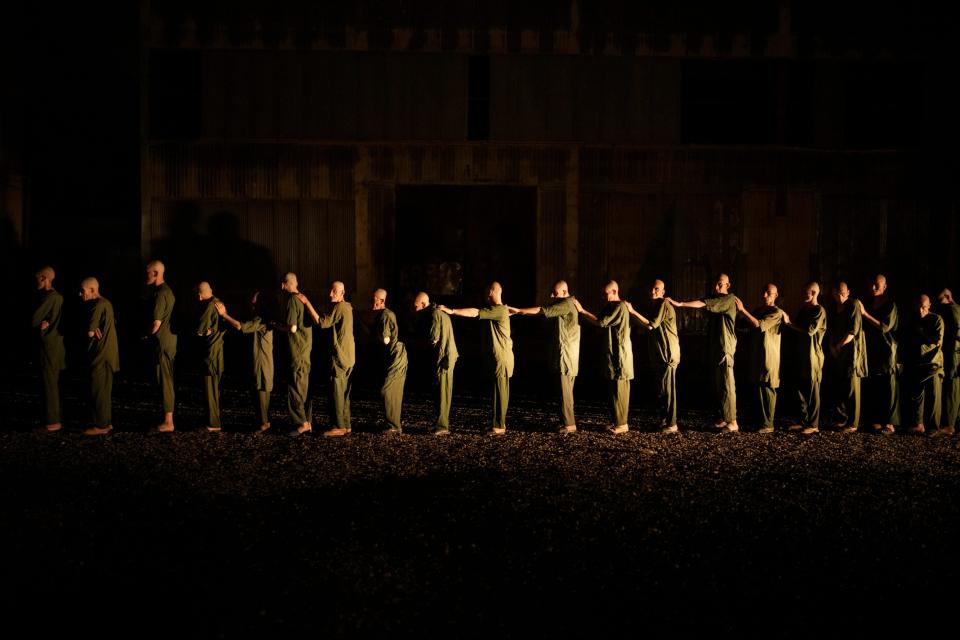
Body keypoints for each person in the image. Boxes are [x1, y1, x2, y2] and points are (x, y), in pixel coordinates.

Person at [513, 280, 593, 433]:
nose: (551, 295)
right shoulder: (569, 303)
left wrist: (519, 310)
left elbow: (543, 310)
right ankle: (567, 422)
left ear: (564, 292)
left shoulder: (566, 304)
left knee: (565, 392)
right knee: (566, 391)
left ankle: (569, 424)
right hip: (568, 355)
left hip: (566, 356)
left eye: (554, 293)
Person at [670, 273, 743, 432]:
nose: (717, 287)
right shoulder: (719, 299)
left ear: (728, 285)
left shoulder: (728, 299)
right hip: (718, 348)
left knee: (726, 384)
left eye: (720, 284)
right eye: (716, 284)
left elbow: (703, 303)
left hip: (725, 348)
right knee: (719, 384)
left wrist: (681, 304)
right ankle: (725, 417)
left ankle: (732, 421)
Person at [441, 282, 514, 435]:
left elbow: (475, 312)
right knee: (498, 391)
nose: (484, 295)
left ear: (492, 291)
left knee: (500, 392)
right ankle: (498, 424)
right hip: (501, 357)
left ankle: (499, 426)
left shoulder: (498, 310)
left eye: (486, 291)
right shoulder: (501, 310)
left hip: (501, 358)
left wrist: (452, 311)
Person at [299, 281, 356, 437]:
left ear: (342, 293)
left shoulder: (339, 307)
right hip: (349, 357)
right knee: (344, 392)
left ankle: (338, 426)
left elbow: (321, 323)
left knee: (337, 392)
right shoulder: (348, 307)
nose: (330, 294)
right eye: (331, 290)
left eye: (334, 291)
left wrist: (306, 302)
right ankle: (346, 425)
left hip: (340, 358)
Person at [626, 279, 680, 433]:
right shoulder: (655, 306)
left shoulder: (663, 304)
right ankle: (666, 421)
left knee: (668, 390)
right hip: (661, 353)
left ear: (663, 292)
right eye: (652, 288)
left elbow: (651, 325)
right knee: (663, 390)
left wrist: (632, 311)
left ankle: (671, 423)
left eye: (657, 289)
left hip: (667, 354)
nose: (653, 291)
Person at [216, 292, 274, 432]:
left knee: (262, 390)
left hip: (262, 361)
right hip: (260, 360)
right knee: (259, 389)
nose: (252, 306)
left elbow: (240, 327)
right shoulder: (260, 319)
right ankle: (263, 420)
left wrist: (224, 315)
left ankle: (264, 422)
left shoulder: (260, 320)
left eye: (254, 303)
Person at [583, 280, 633, 434]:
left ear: (614, 291)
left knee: (620, 391)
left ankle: (622, 424)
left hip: (620, 355)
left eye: (606, 294)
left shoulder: (619, 307)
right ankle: (616, 420)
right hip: (613, 354)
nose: (603, 297)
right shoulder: (610, 306)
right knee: (613, 391)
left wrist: (581, 311)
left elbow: (601, 322)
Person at [737, 284, 787, 434]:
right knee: (758, 388)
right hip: (756, 355)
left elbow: (759, 325)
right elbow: (744, 324)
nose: (765, 295)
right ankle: (761, 421)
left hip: (769, 357)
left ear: (776, 295)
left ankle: (768, 424)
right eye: (764, 292)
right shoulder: (759, 310)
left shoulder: (776, 312)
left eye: (769, 293)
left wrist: (742, 310)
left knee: (767, 388)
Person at [785, 282, 828, 435]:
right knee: (800, 389)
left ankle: (814, 424)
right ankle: (804, 421)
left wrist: (789, 323)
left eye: (806, 292)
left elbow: (809, 331)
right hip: (800, 355)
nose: (803, 294)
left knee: (812, 390)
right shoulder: (804, 309)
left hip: (812, 356)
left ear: (814, 292)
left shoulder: (819, 310)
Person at [859, 275, 900, 434]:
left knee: (888, 385)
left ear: (885, 286)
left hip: (887, 349)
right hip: (871, 349)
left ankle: (890, 423)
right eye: (872, 285)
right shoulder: (869, 303)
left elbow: (884, 327)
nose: (873, 288)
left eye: (877, 285)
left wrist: (865, 314)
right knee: (874, 384)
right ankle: (876, 419)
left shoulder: (890, 305)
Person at [80, 277, 119, 436]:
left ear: (92, 290)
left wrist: (89, 329)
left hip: (100, 354)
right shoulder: (107, 303)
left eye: (83, 291)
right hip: (109, 354)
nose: (81, 294)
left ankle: (100, 425)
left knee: (98, 390)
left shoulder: (96, 305)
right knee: (105, 389)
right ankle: (106, 422)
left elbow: (90, 331)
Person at [414, 292, 458, 435]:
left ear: (422, 304)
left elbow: (434, 339)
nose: (414, 309)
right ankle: (440, 424)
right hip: (447, 356)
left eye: (415, 306)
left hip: (444, 358)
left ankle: (442, 426)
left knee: (442, 392)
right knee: (443, 391)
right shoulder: (440, 313)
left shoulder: (434, 315)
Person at [828, 281, 868, 433]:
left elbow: (853, 330)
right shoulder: (832, 308)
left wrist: (838, 346)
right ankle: (841, 419)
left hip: (850, 350)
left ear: (848, 292)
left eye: (842, 291)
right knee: (839, 386)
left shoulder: (853, 305)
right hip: (837, 351)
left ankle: (853, 422)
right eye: (836, 292)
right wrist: (832, 346)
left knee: (852, 387)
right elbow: (830, 328)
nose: (839, 294)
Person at [904, 295, 944, 435]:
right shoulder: (912, 319)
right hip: (916, 363)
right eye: (918, 307)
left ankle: (933, 427)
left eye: (924, 307)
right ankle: (918, 424)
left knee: (933, 396)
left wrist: (921, 333)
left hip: (933, 363)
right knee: (916, 395)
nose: (921, 310)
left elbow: (937, 341)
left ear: (929, 305)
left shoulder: (936, 319)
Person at [32, 266, 65, 433]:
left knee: (49, 384)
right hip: (52, 346)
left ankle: (52, 422)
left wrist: (41, 322)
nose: (35, 281)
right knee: (49, 384)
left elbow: (33, 319)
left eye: (38, 278)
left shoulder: (51, 297)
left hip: (50, 347)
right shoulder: (52, 297)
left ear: (44, 278)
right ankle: (50, 420)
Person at [146, 260, 177, 432]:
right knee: (166, 379)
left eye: (148, 272)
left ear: (156, 273)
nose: (147, 276)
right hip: (168, 341)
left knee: (164, 380)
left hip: (162, 342)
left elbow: (156, 323)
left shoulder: (160, 293)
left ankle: (168, 421)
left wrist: (145, 335)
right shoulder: (167, 292)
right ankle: (167, 419)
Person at [280, 272, 313, 436]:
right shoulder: (303, 299)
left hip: (297, 351)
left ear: (286, 284)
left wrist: (278, 326)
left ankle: (302, 423)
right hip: (305, 351)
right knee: (304, 388)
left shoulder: (292, 300)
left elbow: (292, 327)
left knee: (295, 389)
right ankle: (307, 421)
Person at [372, 288, 408, 434]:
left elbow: (386, 340)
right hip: (395, 356)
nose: (372, 301)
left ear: (381, 301)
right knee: (393, 391)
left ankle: (393, 425)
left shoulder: (385, 315)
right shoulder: (383, 314)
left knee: (388, 390)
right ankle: (393, 424)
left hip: (396, 356)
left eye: (374, 298)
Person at [196, 281, 226, 432]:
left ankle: (213, 423)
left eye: (199, 294)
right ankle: (214, 421)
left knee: (210, 390)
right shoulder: (219, 303)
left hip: (211, 354)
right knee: (215, 389)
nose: (198, 298)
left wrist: (202, 332)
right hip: (217, 353)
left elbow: (199, 329)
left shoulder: (209, 306)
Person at [935, 289, 960, 437]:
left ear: (948, 297)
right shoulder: (954, 309)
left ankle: (950, 425)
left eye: (940, 300)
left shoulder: (952, 309)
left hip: (953, 353)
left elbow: (958, 332)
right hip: (954, 352)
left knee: (952, 386)